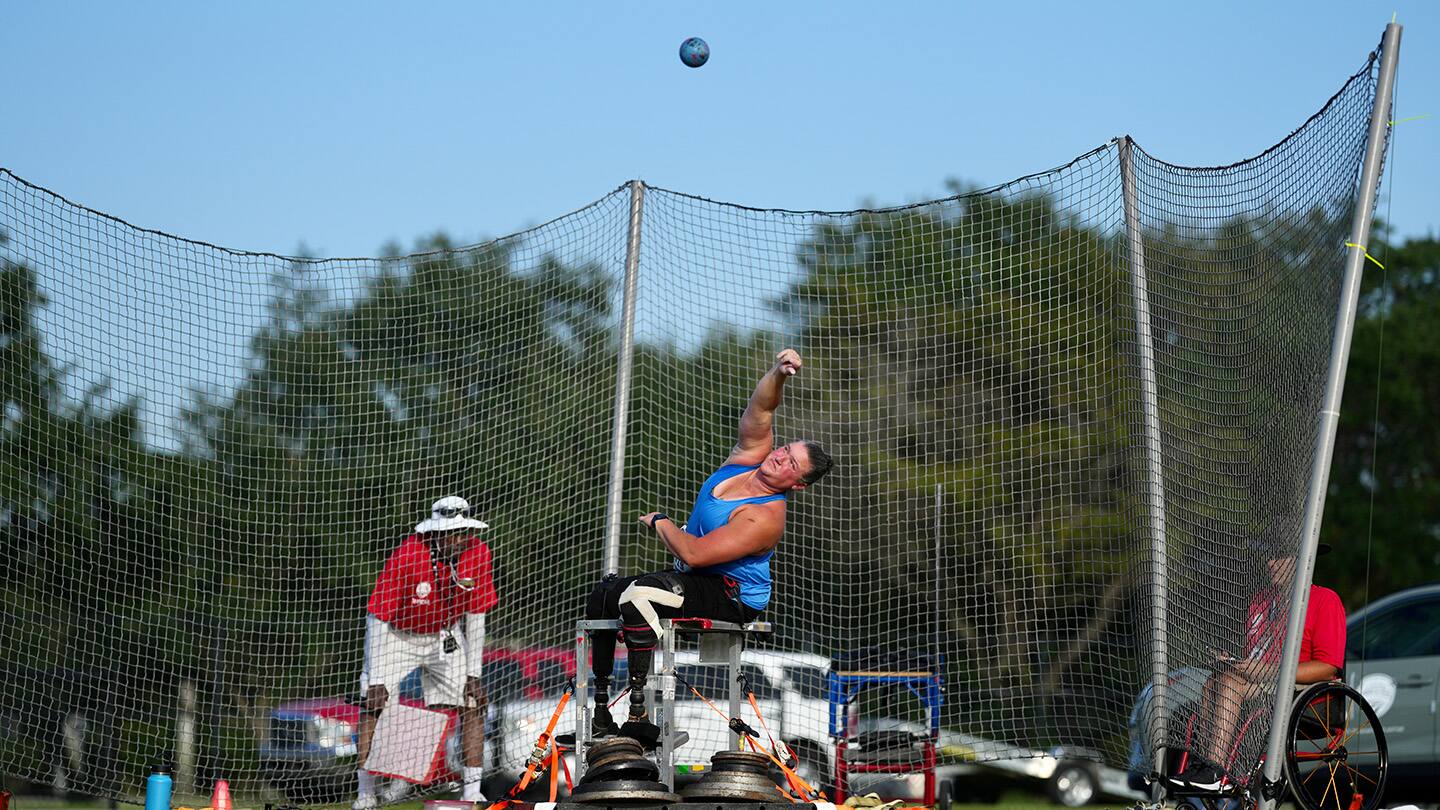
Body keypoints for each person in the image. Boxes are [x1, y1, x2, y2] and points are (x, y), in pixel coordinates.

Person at [584, 348, 834, 737]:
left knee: (640, 596)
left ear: (798, 483)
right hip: (696, 577)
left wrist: (661, 521)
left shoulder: (764, 517)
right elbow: (761, 410)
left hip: (731, 594)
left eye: (790, 464)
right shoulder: (749, 457)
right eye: (784, 450)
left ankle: (639, 720)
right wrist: (779, 373)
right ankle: (600, 715)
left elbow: (694, 553)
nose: (780, 458)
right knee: (604, 594)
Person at [354, 496, 498, 809]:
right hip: (396, 635)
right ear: (434, 533)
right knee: (372, 703)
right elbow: (377, 616)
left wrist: (474, 674)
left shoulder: (478, 553)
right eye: (451, 533)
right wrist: (377, 677)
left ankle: (472, 792)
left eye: (463, 532)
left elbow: (476, 618)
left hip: (444, 636)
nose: (458, 539)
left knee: (473, 702)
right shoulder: (408, 555)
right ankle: (365, 793)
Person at [1171, 542, 1345, 792]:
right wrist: (1233, 660)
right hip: (1261, 684)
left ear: (1303, 561)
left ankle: (1216, 772)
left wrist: (1265, 671)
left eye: (1279, 557)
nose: (1270, 564)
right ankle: (1206, 764)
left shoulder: (1324, 600)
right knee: (1215, 680)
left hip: (1303, 688)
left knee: (1229, 682)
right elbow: (1256, 655)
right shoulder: (1262, 600)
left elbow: (1328, 668)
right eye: (1269, 557)